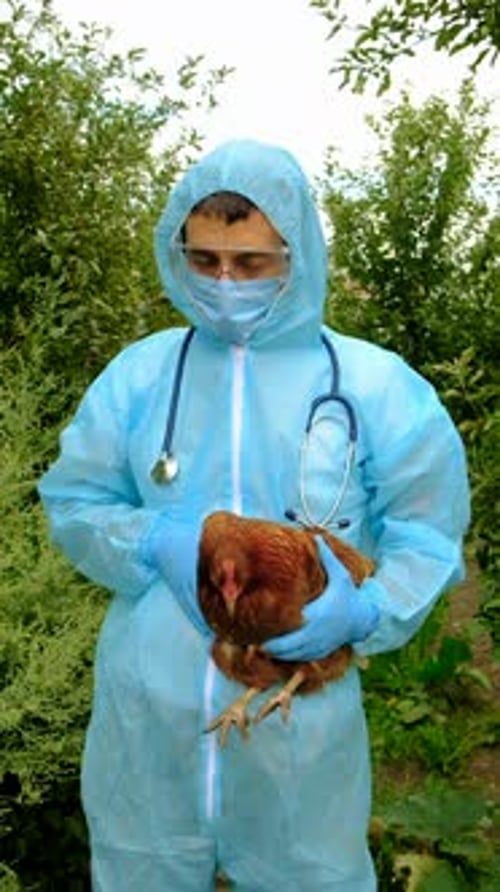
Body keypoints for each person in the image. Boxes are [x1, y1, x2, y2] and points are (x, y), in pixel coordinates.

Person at [38, 139, 470, 891]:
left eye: (251, 263)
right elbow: (75, 500)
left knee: (311, 876)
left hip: (301, 722)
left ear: (296, 256)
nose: (224, 282)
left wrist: (367, 611)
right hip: (152, 717)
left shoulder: (375, 385)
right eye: (204, 261)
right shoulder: (141, 375)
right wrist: (158, 541)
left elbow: (426, 530)